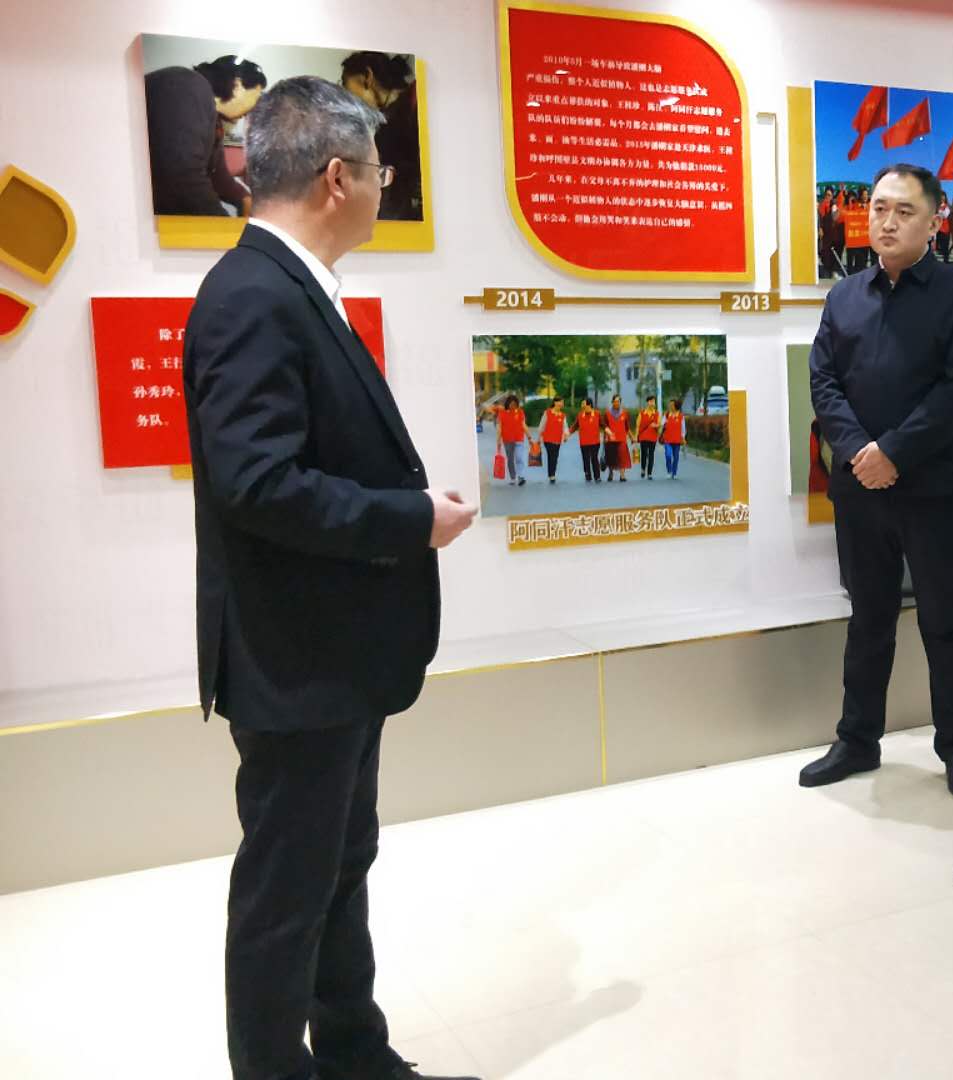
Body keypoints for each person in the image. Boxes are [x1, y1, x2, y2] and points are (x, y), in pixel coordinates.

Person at [181, 75, 479, 1080]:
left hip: (330, 655)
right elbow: (256, 483)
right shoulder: (254, 296)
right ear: (339, 176)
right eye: (381, 172)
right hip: (295, 660)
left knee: (338, 868)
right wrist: (410, 520)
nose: (386, 189)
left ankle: (355, 1056)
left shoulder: (288, 287)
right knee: (287, 893)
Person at [799, 163, 953, 798]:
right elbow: (824, 381)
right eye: (879, 208)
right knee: (868, 618)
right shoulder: (844, 296)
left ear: (934, 222)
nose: (886, 221)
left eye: (904, 211)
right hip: (861, 491)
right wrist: (859, 452)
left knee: (946, 620)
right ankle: (857, 740)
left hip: (932, 490)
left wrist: (895, 452)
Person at [145, 57, 266, 217]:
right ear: (238, 85)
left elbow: (218, 177)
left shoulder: (213, 120)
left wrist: (243, 197)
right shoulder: (186, 85)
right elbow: (183, 176)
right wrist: (222, 224)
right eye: (256, 96)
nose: (254, 107)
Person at [339, 51, 422, 222]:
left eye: (349, 90)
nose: (353, 104)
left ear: (368, 77)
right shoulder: (391, 121)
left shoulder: (418, 99)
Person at [495, 394, 528, 487]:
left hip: (519, 439)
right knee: (510, 459)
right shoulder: (502, 413)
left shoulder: (520, 412)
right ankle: (513, 477)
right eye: (511, 404)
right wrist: (498, 440)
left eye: (515, 404)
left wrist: (529, 437)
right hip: (507, 439)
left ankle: (521, 477)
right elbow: (499, 428)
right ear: (508, 403)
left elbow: (523, 425)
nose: (513, 406)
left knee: (519, 457)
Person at [603, 394, 631, 482]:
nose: (616, 403)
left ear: (620, 402)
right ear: (612, 402)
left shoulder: (625, 413)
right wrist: (605, 437)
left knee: (622, 456)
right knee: (611, 457)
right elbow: (605, 426)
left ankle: (622, 475)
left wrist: (632, 437)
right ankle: (610, 473)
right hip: (611, 438)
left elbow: (627, 427)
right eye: (615, 401)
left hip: (622, 438)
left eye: (618, 401)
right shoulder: (607, 413)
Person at [540, 396, 567, 484]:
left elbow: (565, 427)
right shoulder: (547, 412)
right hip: (547, 439)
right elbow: (542, 425)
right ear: (555, 402)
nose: (561, 404)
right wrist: (539, 438)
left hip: (557, 440)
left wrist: (566, 435)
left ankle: (551, 473)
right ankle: (552, 475)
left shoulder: (562, 415)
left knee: (554, 457)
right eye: (560, 402)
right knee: (552, 456)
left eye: (562, 402)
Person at [574, 398, 602, 483]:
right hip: (584, 442)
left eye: (583, 404)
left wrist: (609, 432)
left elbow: (603, 424)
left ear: (589, 405)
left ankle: (597, 476)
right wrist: (568, 433)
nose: (582, 405)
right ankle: (587, 475)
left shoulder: (597, 414)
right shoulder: (580, 415)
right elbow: (575, 426)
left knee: (594, 458)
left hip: (595, 441)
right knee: (585, 459)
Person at [635, 395, 661, 480]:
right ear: (647, 402)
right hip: (643, 437)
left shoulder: (657, 413)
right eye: (650, 401)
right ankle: (643, 469)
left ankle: (649, 473)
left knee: (651, 455)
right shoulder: (642, 413)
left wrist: (656, 425)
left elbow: (659, 424)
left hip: (653, 437)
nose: (652, 403)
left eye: (653, 401)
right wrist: (636, 436)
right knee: (644, 453)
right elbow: (638, 425)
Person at [663, 398, 685, 478]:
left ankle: (674, 472)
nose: (670, 406)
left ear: (676, 406)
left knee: (676, 457)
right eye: (670, 405)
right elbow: (662, 425)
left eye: (672, 405)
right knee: (668, 455)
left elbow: (683, 428)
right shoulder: (666, 415)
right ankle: (669, 471)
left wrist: (683, 438)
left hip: (677, 440)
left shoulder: (681, 416)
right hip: (667, 440)